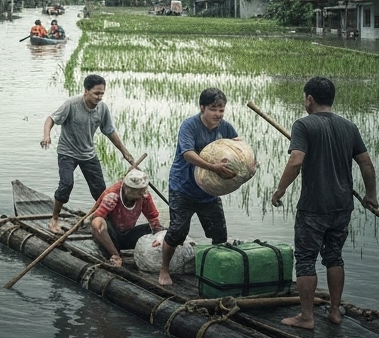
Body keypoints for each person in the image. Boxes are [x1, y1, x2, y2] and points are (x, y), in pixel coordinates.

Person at [271, 76, 378, 329]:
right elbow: (366, 163)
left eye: (304, 98)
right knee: (334, 257)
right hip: (342, 205)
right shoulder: (349, 126)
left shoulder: (303, 125)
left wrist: (280, 189)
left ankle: (306, 317)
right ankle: (335, 311)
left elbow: (296, 161)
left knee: (306, 259)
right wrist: (371, 195)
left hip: (314, 206)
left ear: (309, 99)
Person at [158, 88, 249, 285]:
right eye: (213, 109)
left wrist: (246, 165)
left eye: (221, 110)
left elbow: (238, 149)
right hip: (183, 188)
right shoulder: (189, 125)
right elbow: (187, 154)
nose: (218, 114)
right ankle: (164, 269)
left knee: (219, 233)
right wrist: (213, 167)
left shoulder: (225, 128)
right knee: (177, 231)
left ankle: (218, 271)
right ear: (202, 108)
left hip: (208, 191)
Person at [40, 74, 137, 233]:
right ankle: (54, 219)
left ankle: (105, 220)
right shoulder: (72, 104)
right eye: (96, 93)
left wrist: (125, 152)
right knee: (66, 184)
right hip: (67, 152)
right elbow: (51, 119)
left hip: (88, 154)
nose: (99, 97)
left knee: (101, 191)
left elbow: (109, 131)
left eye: (101, 94)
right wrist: (46, 136)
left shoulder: (102, 108)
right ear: (86, 91)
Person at [90, 168, 163, 267]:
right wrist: (115, 253)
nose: (141, 194)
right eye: (136, 192)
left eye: (142, 191)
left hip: (127, 234)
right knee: (97, 222)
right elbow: (96, 219)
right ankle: (114, 254)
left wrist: (158, 236)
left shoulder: (144, 196)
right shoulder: (113, 196)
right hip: (111, 236)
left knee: (157, 230)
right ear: (127, 188)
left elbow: (152, 217)